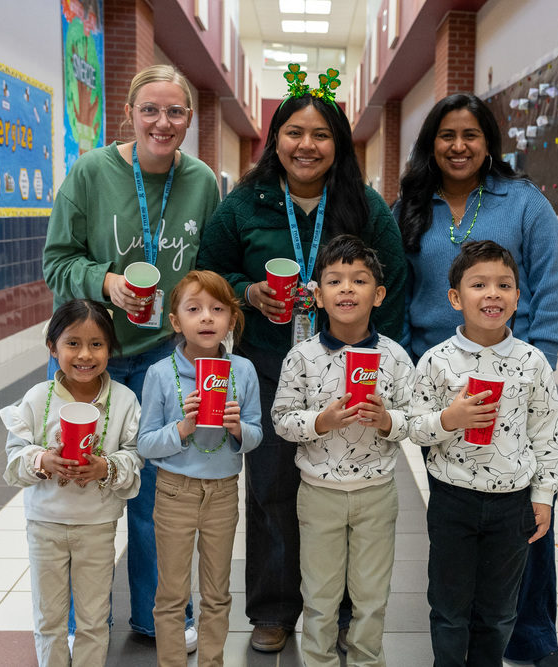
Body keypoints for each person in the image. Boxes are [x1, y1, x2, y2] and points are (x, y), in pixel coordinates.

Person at [197, 66, 406, 653]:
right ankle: (272, 608)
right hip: (270, 363)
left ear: (337, 143)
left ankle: (338, 610)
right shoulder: (246, 203)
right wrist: (246, 292)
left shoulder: (363, 206)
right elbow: (210, 274)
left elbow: (394, 285)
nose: (306, 145)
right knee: (271, 488)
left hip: (349, 367)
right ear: (275, 139)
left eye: (320, 134)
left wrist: (376, 361)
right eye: (293, 132)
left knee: (341, 489)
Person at [43, 64, 218, 650]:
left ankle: (158, 615)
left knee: (154, 498)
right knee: (77, 489)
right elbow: (56, 263)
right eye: (151, 110)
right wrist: (106, 282)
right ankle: (74, 623)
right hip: (89, 355)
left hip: (159, 357)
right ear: (130, 114)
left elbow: (205, 271)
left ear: (189, 119)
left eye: (175, 112)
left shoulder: (199, 182)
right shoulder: (91, 173)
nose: (162, 123)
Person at [394, 93, 558, 667]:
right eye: (447, 134)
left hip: (513, 377)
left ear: (488, 141)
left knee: (525, 509)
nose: (459, 145)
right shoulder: (411, 203)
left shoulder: (522, 202)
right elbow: (397, 289)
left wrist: (533, 363)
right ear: (431, 142)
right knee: (457, 503)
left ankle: (532, 634)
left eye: (471, 134)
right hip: (439, 379)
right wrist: (406, 369)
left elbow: (550, 285)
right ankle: (461, 626)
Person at [407, 241, 558, 667]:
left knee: (498, 610)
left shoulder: (533, 363)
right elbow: (414, 429)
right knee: (449, 604)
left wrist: (543, 497)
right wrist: (450, 418)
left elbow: (547, 432)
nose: (492, 293)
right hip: (452, 498)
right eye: (479, 284)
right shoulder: (436, 362)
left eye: (504, 285)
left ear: (517, 297)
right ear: (456, 298)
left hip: (512, 502)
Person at [272, 235, 412, 666]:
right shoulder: (301, 356)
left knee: (371, 596)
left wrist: (388, 420)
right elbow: (281, 419)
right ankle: (318, 660)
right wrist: (321, 421)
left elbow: (415, 419)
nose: (347, 289)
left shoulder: (394, 357)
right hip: (318, 494)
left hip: (376, 494)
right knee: (319, 594)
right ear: (317, 294)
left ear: (379, 294)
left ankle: (367, 659)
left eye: (359, 280)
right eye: (334, 281)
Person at [1, 299, 143, 667]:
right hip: (44, 525)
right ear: (53, 348)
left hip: (96, 526)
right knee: (49, 618)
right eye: (72, 343)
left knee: (94, 620)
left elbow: (135, 457)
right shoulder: (37, 399)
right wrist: (43, 460)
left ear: (111, 348)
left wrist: (105, 468)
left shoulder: (124, 401)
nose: (85, 354)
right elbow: (15, 460)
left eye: (97, 344)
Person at [138, 271, 263, 667]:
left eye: (217, 309)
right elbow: (145, 443)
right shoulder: (160, 374)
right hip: (175, 490)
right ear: (176, 322)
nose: (206, 318)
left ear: (231, 318)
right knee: (171, 594)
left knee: (218, 593)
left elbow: (258, 434)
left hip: (223, 493)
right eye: (194, 309)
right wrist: (183, 428)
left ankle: (212, 662)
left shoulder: (242, 371)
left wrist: (237, 427)